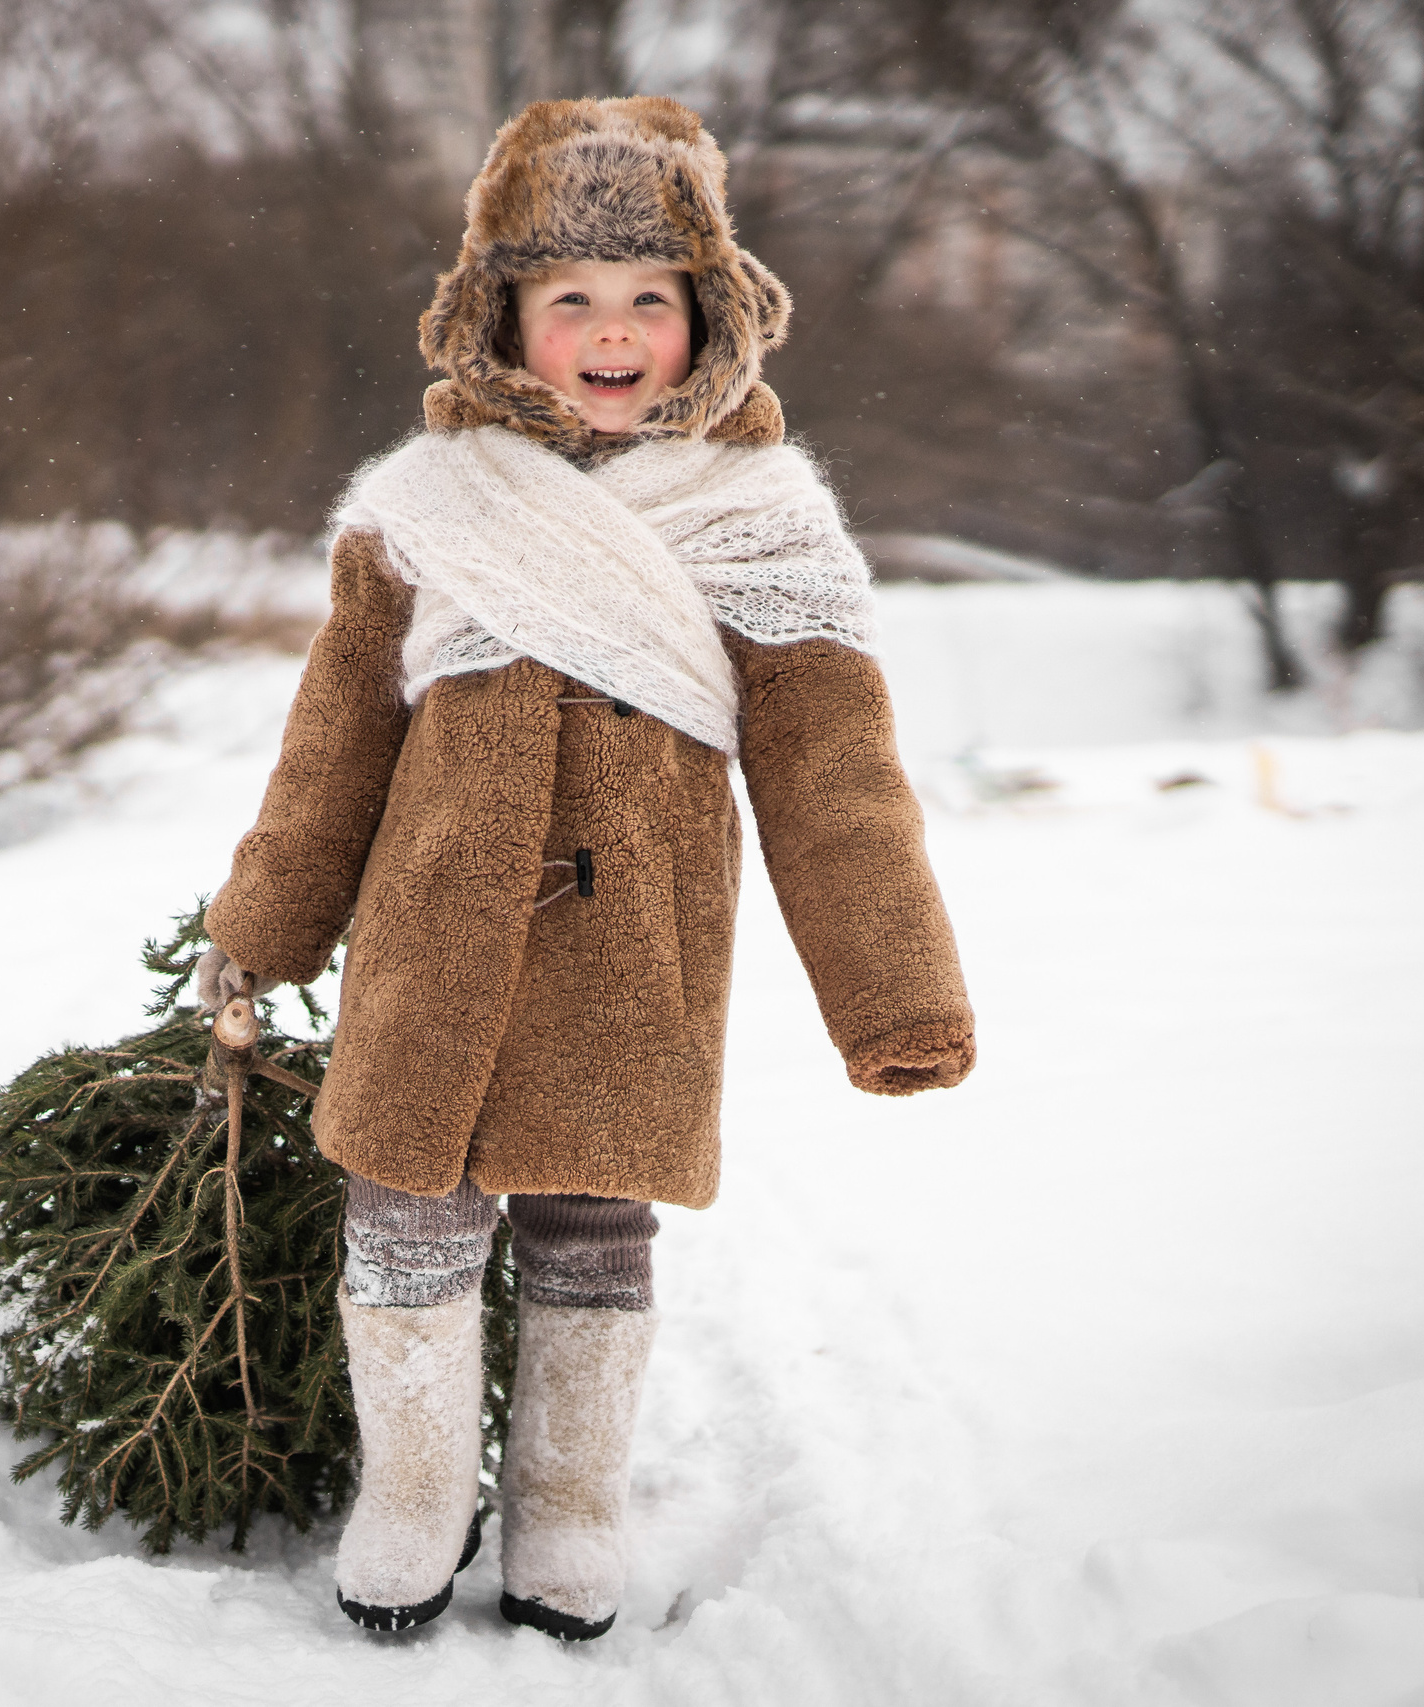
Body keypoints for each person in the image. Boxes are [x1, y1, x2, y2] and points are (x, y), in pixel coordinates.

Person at [190, 96, 975, 1641]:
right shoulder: (422, 515)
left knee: (591, 1223)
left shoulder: (764, 521)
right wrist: (264, 925)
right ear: (503, 319)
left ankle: (566, 1502)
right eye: (571, 301)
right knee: (404, 1203)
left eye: (650, 301)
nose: (612, 332)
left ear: (710, 318)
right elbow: (332, 746)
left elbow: (839, 784)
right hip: (434, 927)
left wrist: (896, 996)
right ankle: (415, 1491)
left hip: (640, 945)